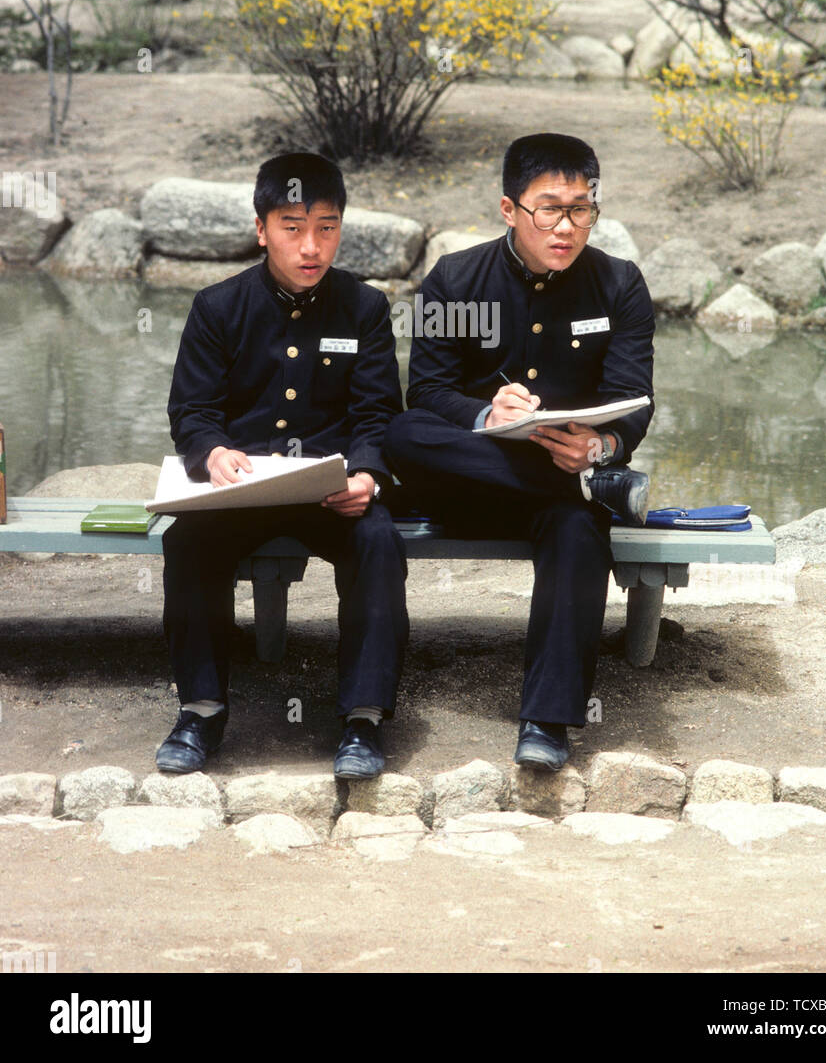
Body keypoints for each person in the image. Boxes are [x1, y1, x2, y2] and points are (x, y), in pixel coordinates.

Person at [385, 133, 655, 772]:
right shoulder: (454, 279)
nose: (567, 227)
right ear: (510, 210)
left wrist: (603, 444)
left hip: (558, 491)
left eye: (582, 209)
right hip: (461, 483)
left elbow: (633, 399)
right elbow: (423, 391)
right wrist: (485, 413)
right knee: (399, 433)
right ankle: (598, 490)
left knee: (577, 531)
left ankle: (548, 722)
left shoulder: (619, 284)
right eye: (549, 209)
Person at [157, 153, 409, 780]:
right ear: (261, 228)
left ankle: (363, 720)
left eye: (326, 227)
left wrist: (367, 475)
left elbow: (379, 414)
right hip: (244, 491)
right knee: (187, 540)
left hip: (329, 490)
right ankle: (202, 709)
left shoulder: (365, 308)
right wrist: (212, 452)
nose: (310, 245)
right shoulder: (218, 307)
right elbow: (192, 409)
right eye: (292, 226)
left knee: (379, 540)